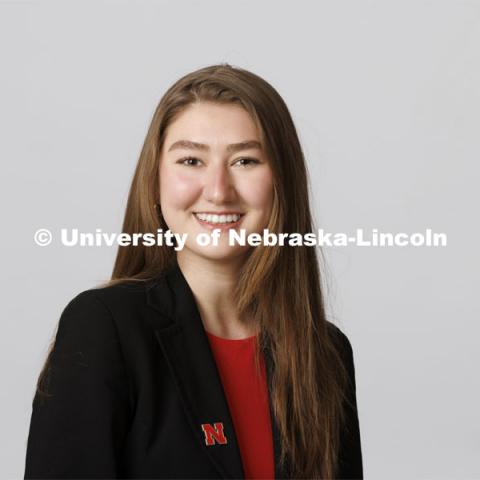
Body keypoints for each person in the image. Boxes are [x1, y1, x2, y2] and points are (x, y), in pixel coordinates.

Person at [24, 63, 363, 479]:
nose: (218, 191)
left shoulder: (326, 352)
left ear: (282, 184)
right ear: (155, 183)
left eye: (244, 160)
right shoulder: (104, 327)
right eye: (190, 160)